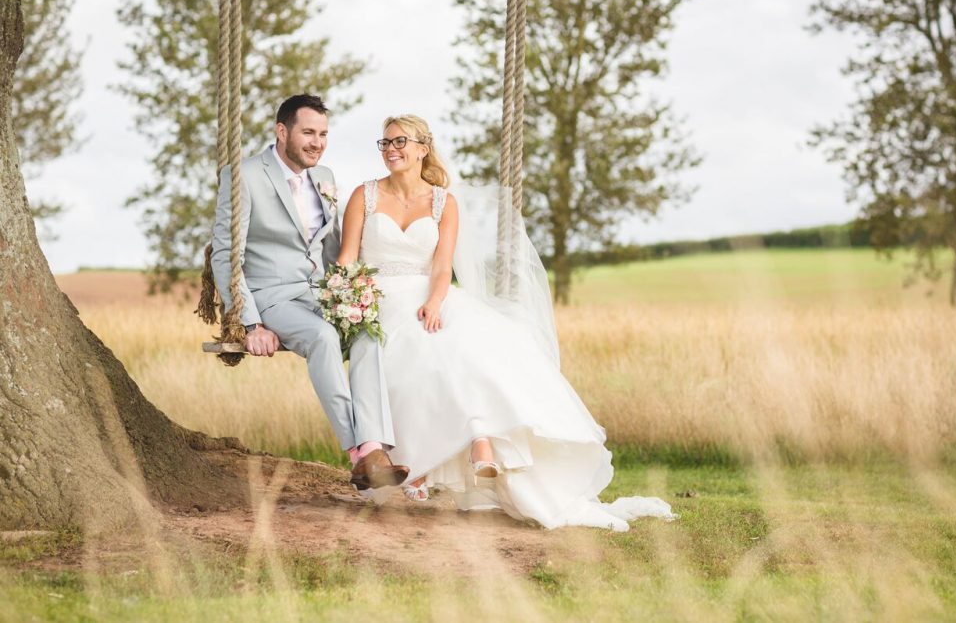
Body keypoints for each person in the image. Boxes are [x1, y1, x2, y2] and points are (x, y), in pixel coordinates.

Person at [335, 114, 676, 531]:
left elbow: (442, 266)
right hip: (378, 300)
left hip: (429, 295)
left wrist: (435, 302)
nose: (391, 149)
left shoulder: (444, 202)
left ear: (423, 148)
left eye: (399, 141)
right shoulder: (364, 196)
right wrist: (349, 301)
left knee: (474, 348)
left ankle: (483, 441)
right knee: (424, 354)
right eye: (384, 142)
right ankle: (456, 447)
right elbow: (347, 258)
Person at [211, 94, 409, 491]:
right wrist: (249, 323)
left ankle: (373, 445)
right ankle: (359, 453)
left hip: (321, 292)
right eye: (308, 133)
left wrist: (350, 295)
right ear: (282, 132)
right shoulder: (245, 176)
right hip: (272, 296)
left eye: (323, 134)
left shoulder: (325, 178)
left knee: (368, 331)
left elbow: (331, 246)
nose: (317, 142)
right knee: (323, 337)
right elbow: (225, 255)